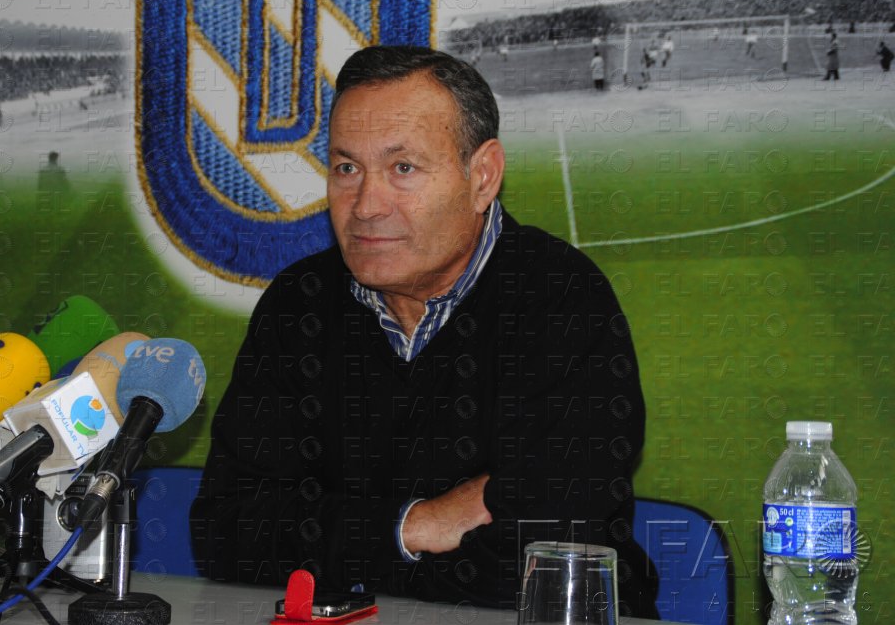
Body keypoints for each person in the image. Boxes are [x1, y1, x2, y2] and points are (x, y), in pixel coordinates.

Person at [190, 46, 658, 618]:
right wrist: (415, 526)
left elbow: (542, 558)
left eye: (403, 169)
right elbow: (228, 535)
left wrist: (340, 549)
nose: (366, 205)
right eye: (346, 168)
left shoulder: (562, 301)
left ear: (482, 177)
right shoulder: (298, 305)